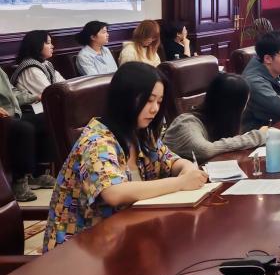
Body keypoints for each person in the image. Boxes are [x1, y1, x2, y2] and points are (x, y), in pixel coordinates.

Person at [42, 63, 208, 252]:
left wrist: (187, 169)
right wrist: (180, 183)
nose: (154, 109)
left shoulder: (141, 132)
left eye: (159, 101)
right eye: (149, 100)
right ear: (125, 99)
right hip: (80, 250)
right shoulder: (97, 141)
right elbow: (114, 193)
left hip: (125, 237)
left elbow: (171, 160)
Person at [162, 73, 267, 163]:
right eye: (245, 104)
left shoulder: (218, 122)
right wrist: (257, 136)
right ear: (234, 108)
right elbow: (205, 150)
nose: (245, 108)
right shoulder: (186, 123)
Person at [0, 68, 53, 202]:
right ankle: (19, 180)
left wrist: (34, 97)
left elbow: (13, 93)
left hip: (13, 114)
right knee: (23, 129)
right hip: (3, 118)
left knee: (46, 120)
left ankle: (37, 173)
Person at [11, 30, 65, 103]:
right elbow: (49, 94)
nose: (52, 46)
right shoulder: (31, 69)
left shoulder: (46, 64)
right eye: (48, 43)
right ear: (36, 45)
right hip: (35, 108)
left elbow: (63, 85)